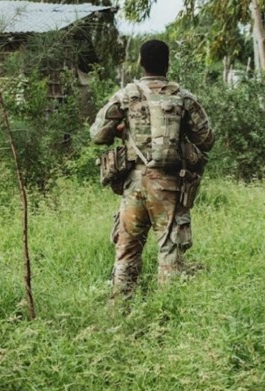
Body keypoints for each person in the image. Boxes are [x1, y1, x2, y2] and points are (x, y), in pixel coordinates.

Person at [90, 39, 215, 302]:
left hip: (133, 185)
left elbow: (98, 135)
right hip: (169, 186)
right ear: (167, 64)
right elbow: (207, 139)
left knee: (127, 251)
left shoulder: (126, 96)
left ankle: (120, 313)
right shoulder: (183, 97)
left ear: (141, 63)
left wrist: (123, 128)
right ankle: (168, 315)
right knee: (170, 251)